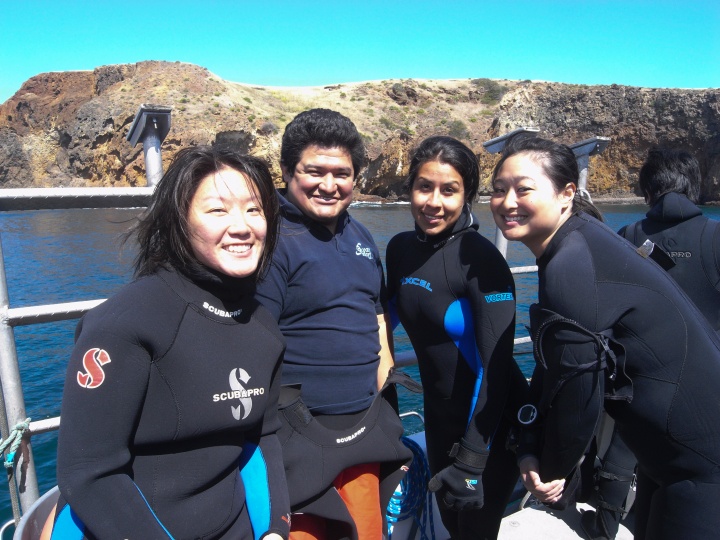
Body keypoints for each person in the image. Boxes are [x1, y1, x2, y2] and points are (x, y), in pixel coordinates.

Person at [50, 147, 291, 539]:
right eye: (218, 210)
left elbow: (262, 439)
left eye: (254, 209)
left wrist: (276, 529)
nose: (242, 226)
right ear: (180, 220)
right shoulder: (125, 324)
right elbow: (89, 472)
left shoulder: (263, 326)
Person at [489, 136, 720, 539]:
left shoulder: (571, 263)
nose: (508, 201)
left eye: (524, 189)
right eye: (498, 189)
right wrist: (532, 442)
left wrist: (552, 471)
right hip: (669, 460)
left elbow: (578, 392)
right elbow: (557, 361)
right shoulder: (582, 241)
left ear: (567, 193)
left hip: (701, 468)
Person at [255, 108, 411, 540]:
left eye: (342, 173)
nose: (329, 185)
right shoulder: (269, 239)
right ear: (287, 170)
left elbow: (377, 318)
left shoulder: (360, 236)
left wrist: (387, 406)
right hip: (296, 438)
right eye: (314, 171)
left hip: (362, 431)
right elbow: (253, 344)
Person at [385, 136, 528, 539]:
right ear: (410, 188)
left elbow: (494, 369)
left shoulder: (482, 260)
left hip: (491, 426)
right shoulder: (399, 250)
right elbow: (379, 322)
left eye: (449, 190)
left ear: (467, 196)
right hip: (439, 419)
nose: (433, 202)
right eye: (424, 187)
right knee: (450, 526)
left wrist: (473, 457)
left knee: (475, 533)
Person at [619, 147, 720, 330]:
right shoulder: (716, 235)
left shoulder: (627, 237)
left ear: (647, 192)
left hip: (643, 348)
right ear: (694, 188)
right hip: (711, 347)